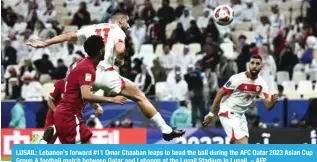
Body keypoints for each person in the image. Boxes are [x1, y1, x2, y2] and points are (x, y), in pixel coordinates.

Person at [27, 13, 185, 141]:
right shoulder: (117, 30)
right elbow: (121, 49)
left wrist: (45, 43)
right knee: (139, 96)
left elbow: (68, 35)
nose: (128, 26)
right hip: (105, 73)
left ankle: (46, 136)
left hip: (84, 70)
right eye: (127, 22)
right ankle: (166, 130)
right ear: (120, 20)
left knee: (69, 107)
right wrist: (120, 59)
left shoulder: (92, 28)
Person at [33, 35, 127, 144]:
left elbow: (80, 90)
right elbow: (86, 95)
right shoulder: (87, 68)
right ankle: (40, 145)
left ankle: (41, 145)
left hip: (68, 114)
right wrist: (112, 100)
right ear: (100, 51)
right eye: (104, 48)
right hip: (69, 115)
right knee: (86, 151)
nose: (106, 50)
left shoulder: (83, 63)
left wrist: (95, 105)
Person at [203, 55, 279, 144]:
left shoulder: (262, 84)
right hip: (228, 113)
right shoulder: (237, 79)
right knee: (243, 144)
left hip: (241, 115)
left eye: (257, 63)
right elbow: (219, 94)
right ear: (248, 65)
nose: (254, 66)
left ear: (261, 66)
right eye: (252, 63)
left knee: (240, 145)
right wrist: (211, 114)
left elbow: (268, 106)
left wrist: (273, 103)